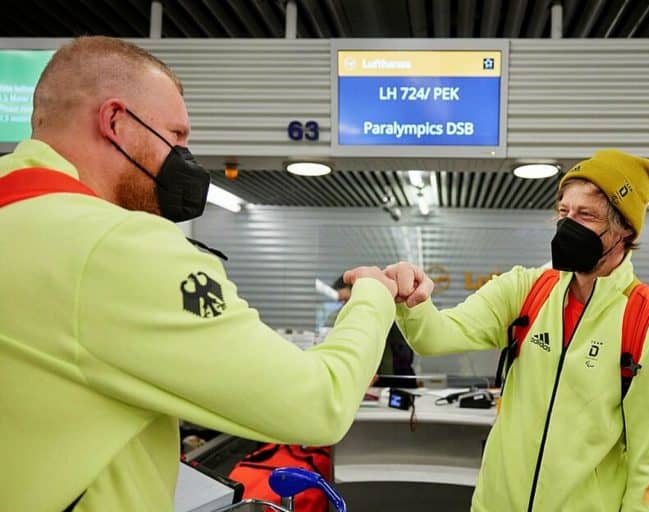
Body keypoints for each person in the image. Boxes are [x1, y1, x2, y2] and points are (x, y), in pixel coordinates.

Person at [0, 36, 396, 512]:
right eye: (177, 135)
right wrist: (373, 294)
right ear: (115, 122)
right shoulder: (117, 246)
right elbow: (319, 403)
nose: (185, 157)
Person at [382, 150, 649, 511]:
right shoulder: (526, 290)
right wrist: (410, 299)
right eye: (564, 212)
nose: (568, 225)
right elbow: (435, 336)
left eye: (586, 215)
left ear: (624, 229)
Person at [330, 275, 416, 387]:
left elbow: (403, 353)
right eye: (341, 302)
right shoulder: (344, 318)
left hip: (394, 381)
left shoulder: (385, 313)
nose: (344, 307)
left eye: (347, 300)